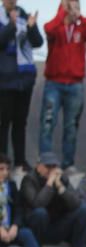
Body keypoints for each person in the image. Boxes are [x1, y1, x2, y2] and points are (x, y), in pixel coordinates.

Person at [40, 0, 86, 172]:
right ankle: (45, 161)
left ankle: (68, 163)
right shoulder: (56, 28)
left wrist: (79, 16)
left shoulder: (81, 29)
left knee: (71, 126)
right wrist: (62, 14)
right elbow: (48, 29)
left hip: (75, 84)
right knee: (47, 123)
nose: (73, 10)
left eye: (77, 7)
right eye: (70, 6)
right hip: (54, 83)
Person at [19, 151, 86, 247]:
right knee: (40, 213)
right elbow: (37, 204)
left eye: (54, 166)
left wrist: (60, 187)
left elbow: (76, 204)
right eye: (48, 166)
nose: (51, 170)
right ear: (38, 166)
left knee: (84, 209)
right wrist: (49, 183)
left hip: (57, 226)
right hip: (36, 228)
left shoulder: (62, 179)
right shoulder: (29, 180)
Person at [0, 154, 58, 247]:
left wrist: (15, 226)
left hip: (10, 230)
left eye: (7, 169)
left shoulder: (11, 186)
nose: (5, 173)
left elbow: (19, 208)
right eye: (1, 169)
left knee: (26, 233)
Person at [0, 0, 42, 173]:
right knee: (4, 122)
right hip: (5, 79)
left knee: (20, 122)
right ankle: (2, 161)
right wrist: (11, 24)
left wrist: (31, 27)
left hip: (24, 79)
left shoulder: (24, 15)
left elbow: (37, 42)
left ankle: (20, 161)